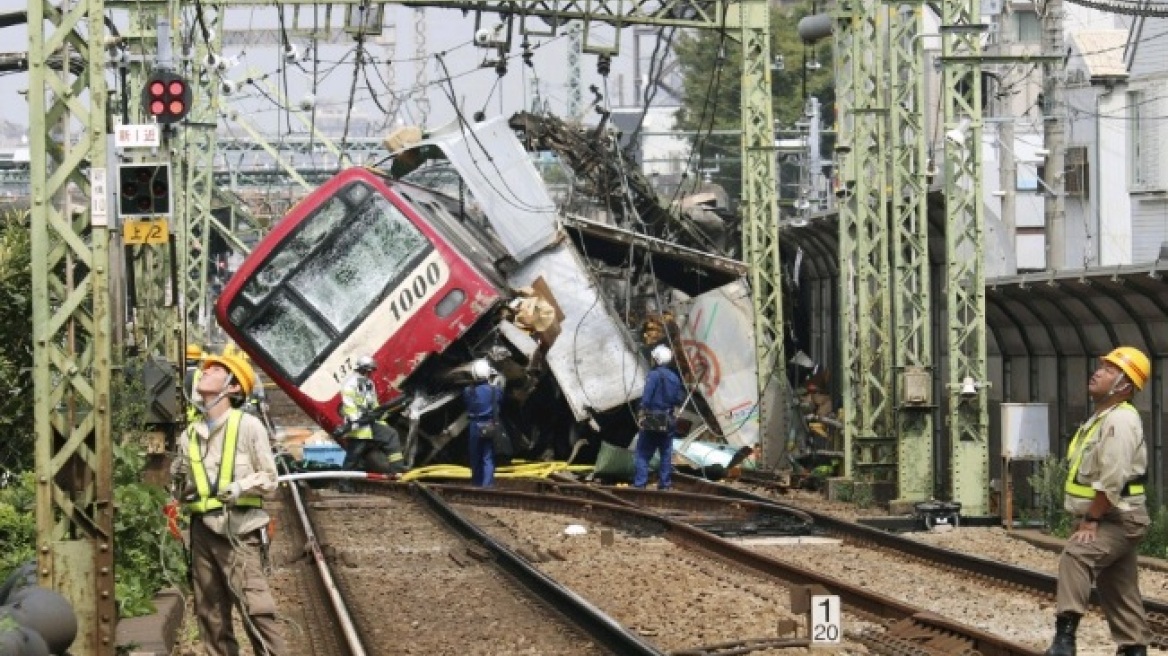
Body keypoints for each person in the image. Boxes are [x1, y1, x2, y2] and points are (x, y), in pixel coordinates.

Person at [171, 354, 287, 656]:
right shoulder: (190, 436)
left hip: (239, 530)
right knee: (210, 614)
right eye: (206, 369)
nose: (206, 372)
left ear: (233, 388)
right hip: (202, 533)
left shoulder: (248, 427)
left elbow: (270, 478)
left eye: (217, 370)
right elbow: (182, 483)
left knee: (255, 609)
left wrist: (240, 487)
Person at [1044, 346, 1152, 656]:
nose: (1097, 372)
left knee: (1077, 555)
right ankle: (1134, 648)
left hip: (1118, 518)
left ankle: (1065, 639)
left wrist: (1091, 519)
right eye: (1101, 366)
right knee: (1118, 587)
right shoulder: (1102, 418)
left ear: (1124, 386)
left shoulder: (1120, 421)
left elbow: (1111, 479)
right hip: (1111, 515)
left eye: (1108, 370)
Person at [340, 355, 407, 475]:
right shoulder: (349, 384)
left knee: (391, 435)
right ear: (363, 369)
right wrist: (357, 420)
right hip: (357, 428)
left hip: (370, 423)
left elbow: (374, 404)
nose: (371, 373)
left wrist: (379, 415)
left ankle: (397, 471)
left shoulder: (369, 383)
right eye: (369, 370)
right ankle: (344, 482)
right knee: (354, 456)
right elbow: (349, 405)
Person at [633, 344, 685, 490]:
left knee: (643, 454)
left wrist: (641, 411)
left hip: (652, 418)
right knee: (666, 454)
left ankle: (640, 484)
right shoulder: (674, 377)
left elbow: (647, 398)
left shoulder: (654, 375)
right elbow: (679, 399)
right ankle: (664, 485)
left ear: (656, 359)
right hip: (668, 419)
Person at [463, 359, 502, 487]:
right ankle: (487, 486)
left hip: (475, 425)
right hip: (489, 425)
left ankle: (476, 484)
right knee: (488, 457)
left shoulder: (468, 391)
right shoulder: (495, 390)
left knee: (475, 457)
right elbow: (501, 400)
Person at [184, 344, 206, 422]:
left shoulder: (183, 373)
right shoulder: (199, 374)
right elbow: (199, 398)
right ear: (198, 360)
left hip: (187, 413)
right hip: (196, 415)